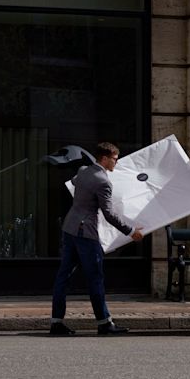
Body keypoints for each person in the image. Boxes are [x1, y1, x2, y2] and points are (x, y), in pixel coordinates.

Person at [50, 142, 144, 335]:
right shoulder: (103, 181)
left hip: (70, 229)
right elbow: (108, 214)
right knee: (95, 278)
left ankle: (56, 322)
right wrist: (131, 231)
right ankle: (104, 324)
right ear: (104, 158)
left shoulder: (83, 171)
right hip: (86, 233)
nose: (115, 163)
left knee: (63, 277)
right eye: (114, 160)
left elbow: (75, 182)